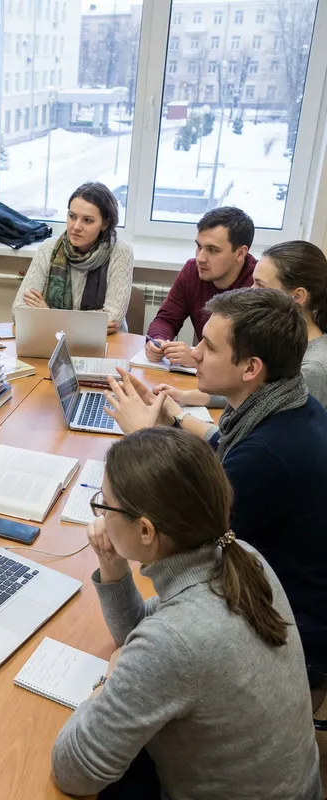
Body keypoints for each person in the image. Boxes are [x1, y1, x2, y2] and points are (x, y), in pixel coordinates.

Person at [52, 427, 321, 799]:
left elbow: (74, 772)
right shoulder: (242, 556)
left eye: (104, 504)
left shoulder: (174, 641)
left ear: (145, 530)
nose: (99, 512)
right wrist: (111, 561)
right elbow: (139, 633)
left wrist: (108, 685)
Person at [105, 288, 327, 704]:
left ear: (250, 368)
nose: (195, 354)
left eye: (209, 345)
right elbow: (221, 452)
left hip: (292, 634)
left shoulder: (268, 454)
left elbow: (183, 536)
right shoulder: (290, 406)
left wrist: (142, 441)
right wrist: (170, 416)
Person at [169, 240, 327, 409]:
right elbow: (258, 395)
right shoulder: (280, 340)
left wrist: (180, 416)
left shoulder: (312, 369)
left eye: (260, 285)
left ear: (297, 296)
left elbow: (271, 423)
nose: (250, 290)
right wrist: (186, 397)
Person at [12, 181, 134, 334]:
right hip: (52, 340)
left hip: (107, 345)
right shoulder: (49, 248)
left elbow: (112, 319)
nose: (76, 226)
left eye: (87, 220)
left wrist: (49, 315)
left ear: (105, 224)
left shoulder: (120, 252)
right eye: (72, 216)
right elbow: (19, 311)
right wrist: (91, 324)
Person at [145, 206, 255, 367]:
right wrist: (158, 341)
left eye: (213, 250)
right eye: (199, 246)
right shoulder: (192, 271)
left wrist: (200, 358)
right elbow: (166, 319)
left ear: (240, 253)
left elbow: (252, 355)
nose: (200, 258)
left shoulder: (257, 283)